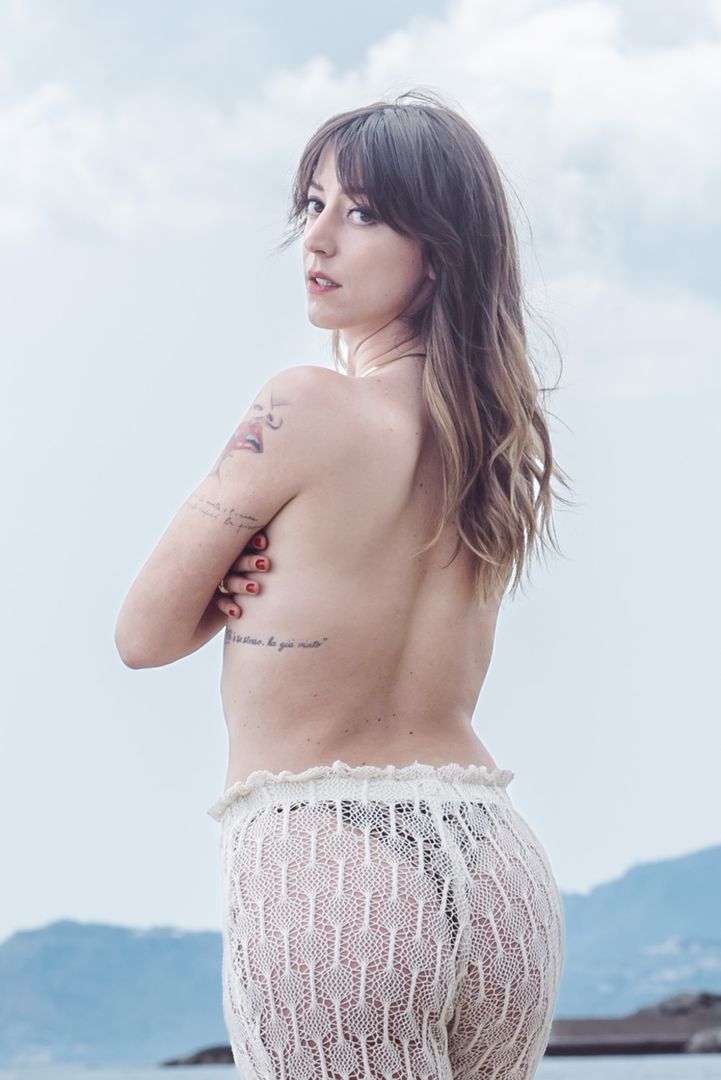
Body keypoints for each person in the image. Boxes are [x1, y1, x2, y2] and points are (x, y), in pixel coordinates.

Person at [116, 89, 572, 1079]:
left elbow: (143, 633)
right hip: (495, 863)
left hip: (326, 861)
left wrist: (230, 573)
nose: (317, 238)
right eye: (312, 205)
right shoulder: (494, 447)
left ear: (437, 249)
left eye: (362, 212)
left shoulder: (303, 406)